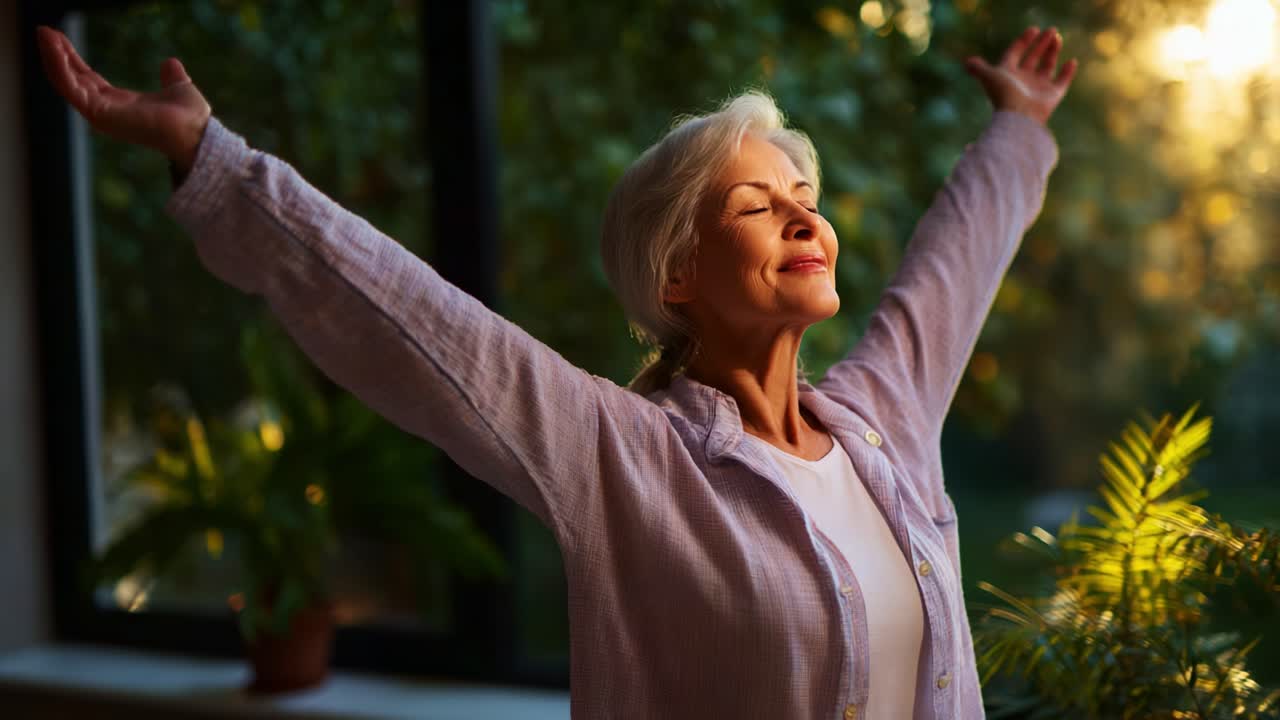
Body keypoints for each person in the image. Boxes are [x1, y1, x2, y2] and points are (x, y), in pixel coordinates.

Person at [37, 22, 1076, 719]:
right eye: (759, 205)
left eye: (804, 192)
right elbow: (411, 323)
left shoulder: (880, 419)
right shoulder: (620, 456)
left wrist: (1017, 128)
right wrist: (213, 160)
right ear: (675, 276)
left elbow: (953, 266)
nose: (805, 216)